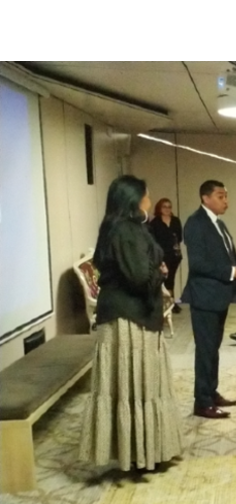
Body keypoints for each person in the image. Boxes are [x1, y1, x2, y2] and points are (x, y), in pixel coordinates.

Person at [80, 176, 183, 470]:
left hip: (126, 313)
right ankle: (140, 452)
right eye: (146, 196)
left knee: (131, 386)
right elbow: (139, 278)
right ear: (134, 199)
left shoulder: (117, 227)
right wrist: (161, 271)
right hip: (129, 318)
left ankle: (137, 450)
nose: (149, 200)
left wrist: (156, 269)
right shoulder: (127, 231)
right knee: (136, 384)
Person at [183, 180, 236, 419]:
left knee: (213, 349)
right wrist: (231, 272)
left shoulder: (218, 224)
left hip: (218, 296)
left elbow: (230, 257)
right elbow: (199, 264)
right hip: (204, 296)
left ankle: (211, 393)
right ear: (205, 198)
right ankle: (202, 402)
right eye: (220, 196)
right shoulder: (195, 224)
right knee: (205, 350)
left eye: (226, 196)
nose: (226, 201)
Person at [148, 198, 183, 313]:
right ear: (159, 208)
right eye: (164, 207)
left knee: (171, 280)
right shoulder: (155, 223)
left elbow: (180, 237)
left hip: (174, 255)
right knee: (162, 281)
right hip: (161, 256)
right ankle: (164, 303)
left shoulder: (175, 221)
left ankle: (171, 303)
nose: (167, 209)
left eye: (169, 207)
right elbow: (152, 241)